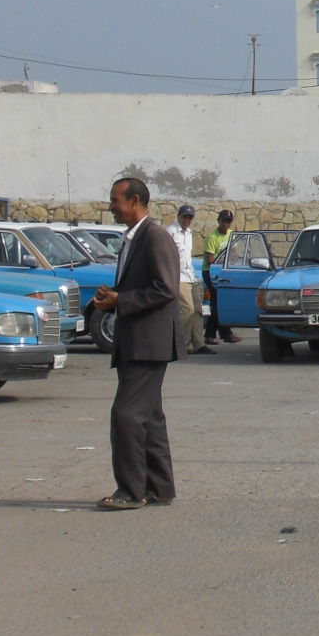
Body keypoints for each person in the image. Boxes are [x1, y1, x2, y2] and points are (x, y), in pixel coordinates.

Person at [93, 177, 181, 510]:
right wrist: (113, 297)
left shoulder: (155, 237)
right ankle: (159, 487)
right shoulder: (132, 239)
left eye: (115, 200)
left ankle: (131, 491)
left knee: (126, 415)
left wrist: (122, 300)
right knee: (149, 417)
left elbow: (165, 289)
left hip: (149, 342)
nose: (111, 206)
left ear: (134, 200)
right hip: (135, 340)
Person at [167, 205, 210, 356]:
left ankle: (199, 344)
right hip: (179, 277)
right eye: (185, 217)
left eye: (190, 217)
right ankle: (183, 343)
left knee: (198, 311)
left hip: (190, 275)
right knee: (187, 309)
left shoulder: (189, 233)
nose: (187, 220)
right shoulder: (171, 232)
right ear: (179, 216)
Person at [202, 209, 241, 344]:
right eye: (224, 221)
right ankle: (225, 333)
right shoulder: (212, 237)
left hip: (224, 271)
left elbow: (235, 254)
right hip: (210, 272)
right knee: (218, 302)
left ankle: (210, 335)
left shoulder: (231, 235)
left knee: (219, 303)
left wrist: (227, 259)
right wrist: (226, 258)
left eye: (228, 221)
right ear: (219, 221)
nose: (226, 224)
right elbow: (210, 260)